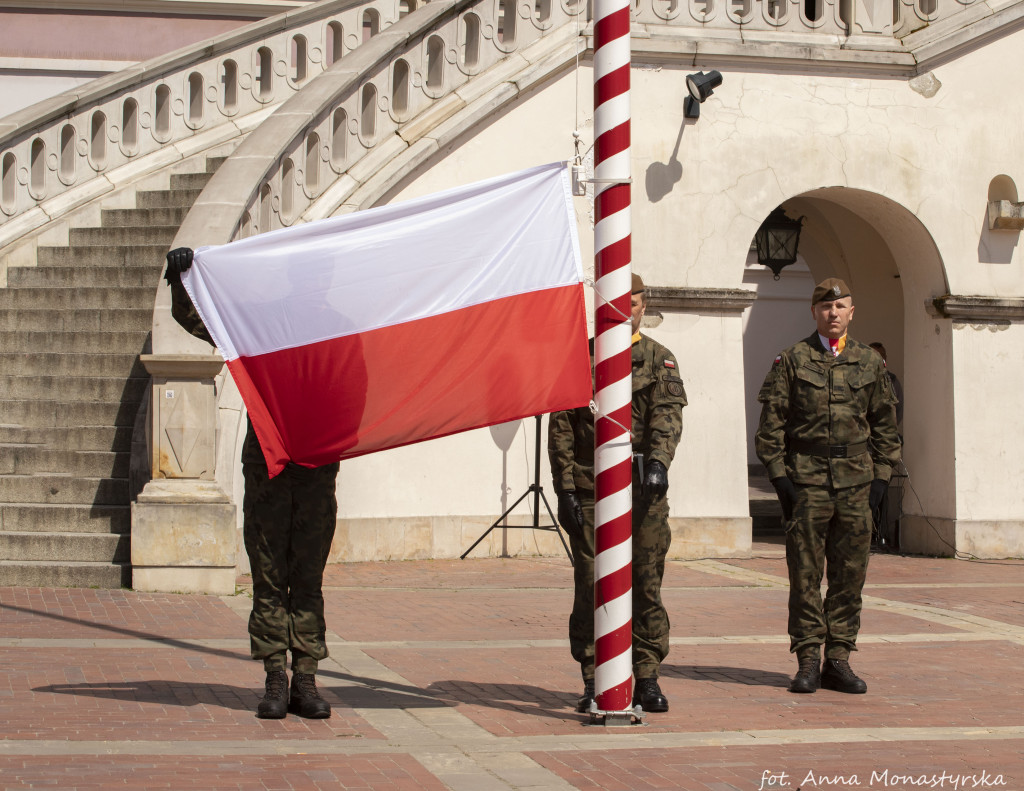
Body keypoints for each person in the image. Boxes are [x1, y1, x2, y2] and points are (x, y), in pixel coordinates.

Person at [164, 247, 338, 720]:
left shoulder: (340, 329)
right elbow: (202, 321)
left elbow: (356, 390)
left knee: (307, 576)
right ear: (295, 279)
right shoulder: (262, 323)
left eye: (324, 274)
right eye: (311, 274)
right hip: (269, 463)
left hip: (317, 469)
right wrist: (179, 279)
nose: (318, 283)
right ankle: (274, 677)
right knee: (268, 572)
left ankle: (306, 676)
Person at [548, 273, 687, 713]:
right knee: (592, 585)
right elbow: (562, 429)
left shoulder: (659, 358)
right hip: (591, 491)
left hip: (643, 493)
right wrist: (565, 489)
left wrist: (660, 464)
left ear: (644, 305)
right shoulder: (580, 358)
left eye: (636, 300)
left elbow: (667, 417)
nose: (627, 307)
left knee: (646, 584)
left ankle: (646, 674)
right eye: (619, 300)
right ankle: (593, 675)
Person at [755, 278, 900, 695]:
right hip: (806, 482)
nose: (833, 313)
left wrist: (881, 481)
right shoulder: (793, 360)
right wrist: (781, 480)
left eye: (840, 307)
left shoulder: (870, 364)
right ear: (813, 311)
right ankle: (806, 661)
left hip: (856, 483)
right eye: (825, 307)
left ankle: (838, 658)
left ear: (852, 313)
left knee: (849, 575)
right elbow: (770, 430)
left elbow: (887, 430)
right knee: (804, 575)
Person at [868, 342, 904, 428]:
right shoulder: (857, 381)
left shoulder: (893, 381)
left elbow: (899, 411)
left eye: (882, 355)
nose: (879, 358)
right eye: (875, 355)